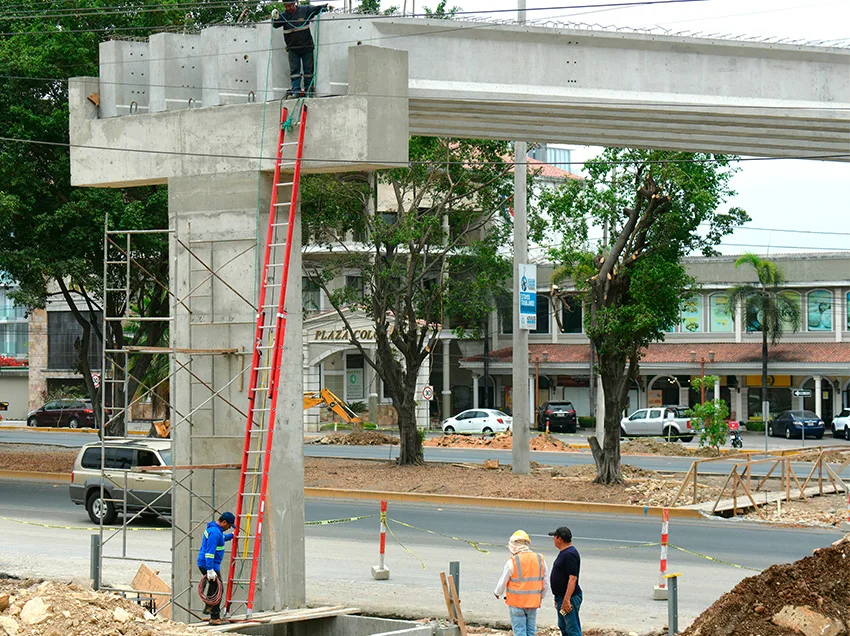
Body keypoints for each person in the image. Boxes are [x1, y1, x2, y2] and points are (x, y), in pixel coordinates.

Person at [493, 530, 547, 636]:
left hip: (516, 603)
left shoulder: (512, 561)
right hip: (533, 602)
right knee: (531, 631)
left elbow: (503, 581)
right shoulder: (540, 559)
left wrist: (497, 593)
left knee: (519, 632)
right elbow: (545, 583)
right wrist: (540, 596)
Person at [272, 1, 330, 97]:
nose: (288, 8)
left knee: (308, 72)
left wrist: (325, 7)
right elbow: (275, 25)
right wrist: (275, 17)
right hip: (293, 49)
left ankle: (309, 91)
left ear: (294, 3)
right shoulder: (284, 16)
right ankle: (296, 91)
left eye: (290, 6)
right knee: (295, 72)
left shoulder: (305, 10)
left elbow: (316, 10)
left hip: (307, 47)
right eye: (286, 6)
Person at [197, 512, 236, 625]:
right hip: (209, 564)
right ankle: (214, 617)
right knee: (218, 589)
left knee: (214, 586)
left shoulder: (215, 530)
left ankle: (209, 606)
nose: (229, 527)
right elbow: (209, 553)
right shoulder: (215, 533)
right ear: (224, 522)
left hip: (208, 564)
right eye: (229, 525)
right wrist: (210, 569)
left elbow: (222, 538)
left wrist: (232, 535)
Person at [549, 526, 582, 636]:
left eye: (554, 537)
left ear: (559, 539)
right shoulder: (565, 552)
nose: (553, 539)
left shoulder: (569, 554)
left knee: (572, 629)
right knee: (563, 626)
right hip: (561, 597)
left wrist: (566, 599)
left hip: (569, 598)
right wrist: (557, 597)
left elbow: (572, 578)